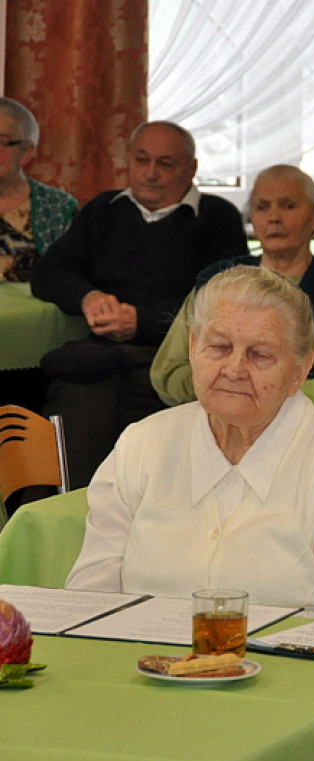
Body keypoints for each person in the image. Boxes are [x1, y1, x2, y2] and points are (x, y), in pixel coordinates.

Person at [66, 266, 314, 617]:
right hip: (140, 664)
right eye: (220, 347)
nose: (235, 369)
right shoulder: (140, 447)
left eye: (260, 355)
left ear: (301, 369)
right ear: (193, 347)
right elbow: (89, 604)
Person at [31, 121, 248, 489]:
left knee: (144, 426)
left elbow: (224, 301)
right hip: (100, 358)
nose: (150, 174)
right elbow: (50, 273)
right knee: (75, 410)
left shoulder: (216, 218)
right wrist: (89, 297)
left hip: (172, 356)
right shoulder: (104, 209)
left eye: (165, 164)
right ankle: (66, 514)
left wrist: (143, 321)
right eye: (141, 160)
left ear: (191, 169)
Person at [151, 164, 314, 405]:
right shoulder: (216, 282)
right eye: (262, 207)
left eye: (288, 206)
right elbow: (167, 373)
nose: (273, 217)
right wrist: (228, 386)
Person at [0, 97, 76, 282]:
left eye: (0, 142)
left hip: (36, 310)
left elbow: (75, 278)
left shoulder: (58, 208)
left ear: (26, 152)